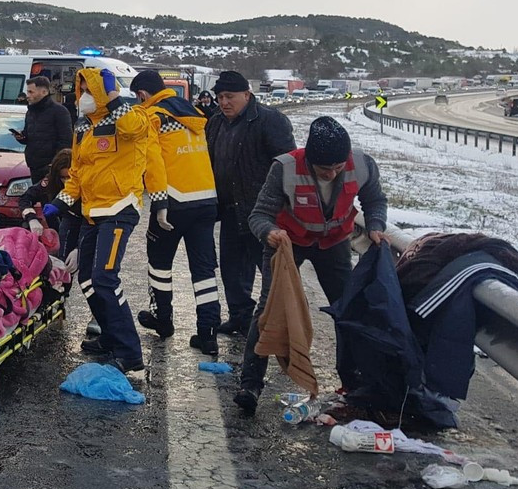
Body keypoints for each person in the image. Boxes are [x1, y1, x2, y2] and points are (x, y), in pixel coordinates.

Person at [234, 117, 387, 415]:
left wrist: (376, 225)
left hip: (334, 244)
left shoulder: (363, 164)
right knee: (268, 308)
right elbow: (259, 215)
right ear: (310, 159)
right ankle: (250, 383)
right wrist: (269, 233)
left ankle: (354, 383)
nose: (331, 174)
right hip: (287, 241)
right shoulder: (285, 168)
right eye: (323, 169)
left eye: (337, 168)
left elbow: (374, 199)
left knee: (347, 308)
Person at [44, 67, 166, 375]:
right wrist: (59, 203)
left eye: (89, 90)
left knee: (105, 278)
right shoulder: (84, 126)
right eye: (81, 90)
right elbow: (78, 172)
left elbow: (135, 131)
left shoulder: (133, 116)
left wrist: (112, 98)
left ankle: (129, 352)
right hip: (92, 212)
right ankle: (111, 336)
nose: (83, 96)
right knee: (86, 278)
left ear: (102, 91)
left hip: (119, 209)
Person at [130, 70, 221, 356]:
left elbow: (154, 162)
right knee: (204, 271)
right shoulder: (193, 113)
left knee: (159, 264)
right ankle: (208, 334)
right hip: (206, 200)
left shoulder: (153, 117)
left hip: (173, 201)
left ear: (143, 94)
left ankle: (163, 319)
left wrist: (159, 204)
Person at [205, 71, 295, 337]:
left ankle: (280, 326)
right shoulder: (215, 123)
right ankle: (240, 317)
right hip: (230, 209)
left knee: (270, 274)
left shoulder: (270, 121)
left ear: (247, 94)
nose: (223, 102)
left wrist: (284, 209)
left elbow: (288, 166)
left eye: (229, 96)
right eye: (220, 97)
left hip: (264, 214)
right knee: (232, 270)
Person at [12, 75, 73, 183]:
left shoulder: (59, 111)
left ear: (44, 92)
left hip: (51, 168)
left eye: (31, 92)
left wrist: (56, 164)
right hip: (34, 165)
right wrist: (21, 137)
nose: (28, 96)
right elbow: (29, 135)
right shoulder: (30, 112)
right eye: (28, 92)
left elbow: (66, 140)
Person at [18, 147, 76, 258]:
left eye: (70, 178)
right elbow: (25, 198)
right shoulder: (50, 183)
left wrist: (79, 248)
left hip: (77, 229)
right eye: (63, 178)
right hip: (54, 235)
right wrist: (32, 218)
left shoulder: (84, 186)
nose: (66, 182)